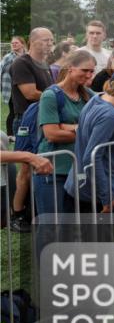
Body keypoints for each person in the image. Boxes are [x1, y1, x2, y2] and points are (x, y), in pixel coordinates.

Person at [64, 68, 114, 214]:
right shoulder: (109, 115)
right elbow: (92, 156)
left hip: (79, 186)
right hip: (94, 195)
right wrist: (106, 196)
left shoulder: (95, 100)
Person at [34, 50, 97, 215]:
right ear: (70, 68)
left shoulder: (88, 95)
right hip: (53, 172)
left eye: (92, 71)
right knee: (51, 229)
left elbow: (100, 124)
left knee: (72, 228)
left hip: (78, 170)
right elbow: (51, 134)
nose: (89, 74)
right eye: (85, 70)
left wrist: (67, 127)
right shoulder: (51, 95)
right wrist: (83, 130)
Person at [8, 27, 55, 231]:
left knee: (42, 165)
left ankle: (32, 211)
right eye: (45, 40)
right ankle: (17, 215)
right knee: (26, 168)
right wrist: (56, 95)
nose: (49, 44)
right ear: (32, 41)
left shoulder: (44, 64)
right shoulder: (21, 63)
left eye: (51, 40)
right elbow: (29, 93)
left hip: (41, 120)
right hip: (26, 122)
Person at [2, 35, 27, 135]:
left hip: (24, 87)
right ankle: (10, 135)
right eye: (12, 43)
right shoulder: (8, 57)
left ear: (22, 44)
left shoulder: (27, 56)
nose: (14, 45)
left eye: (16, 43)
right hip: (11, 89)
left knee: (23, 111)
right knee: (13, 111)